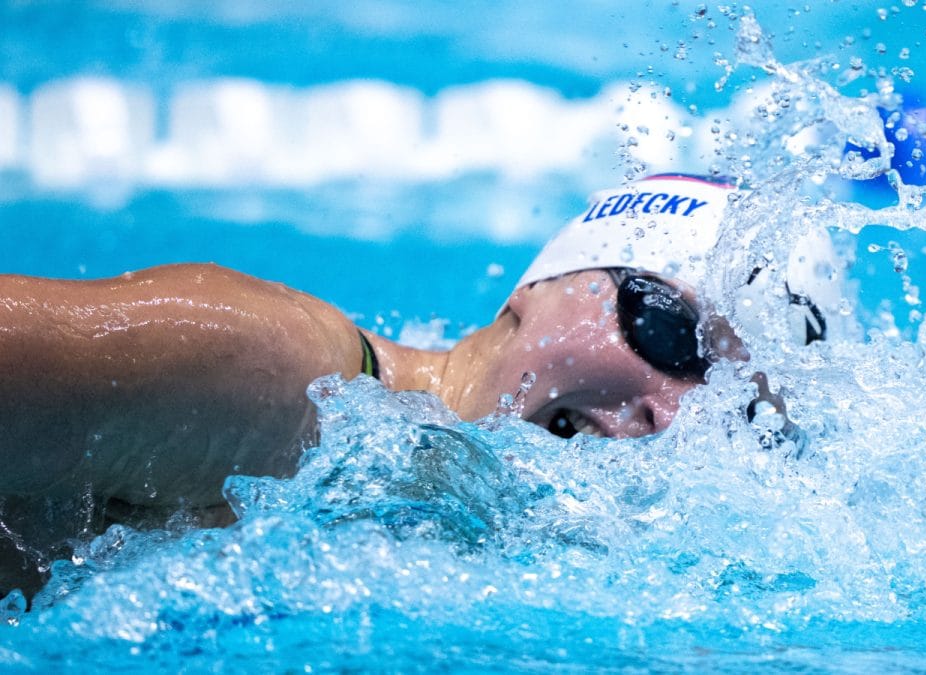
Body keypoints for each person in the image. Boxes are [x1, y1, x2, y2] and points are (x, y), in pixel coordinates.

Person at [0, 173, 840, 596]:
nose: (673, 415)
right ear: (538, 288)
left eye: (743, 412)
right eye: (671, 330)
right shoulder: (274, 376)